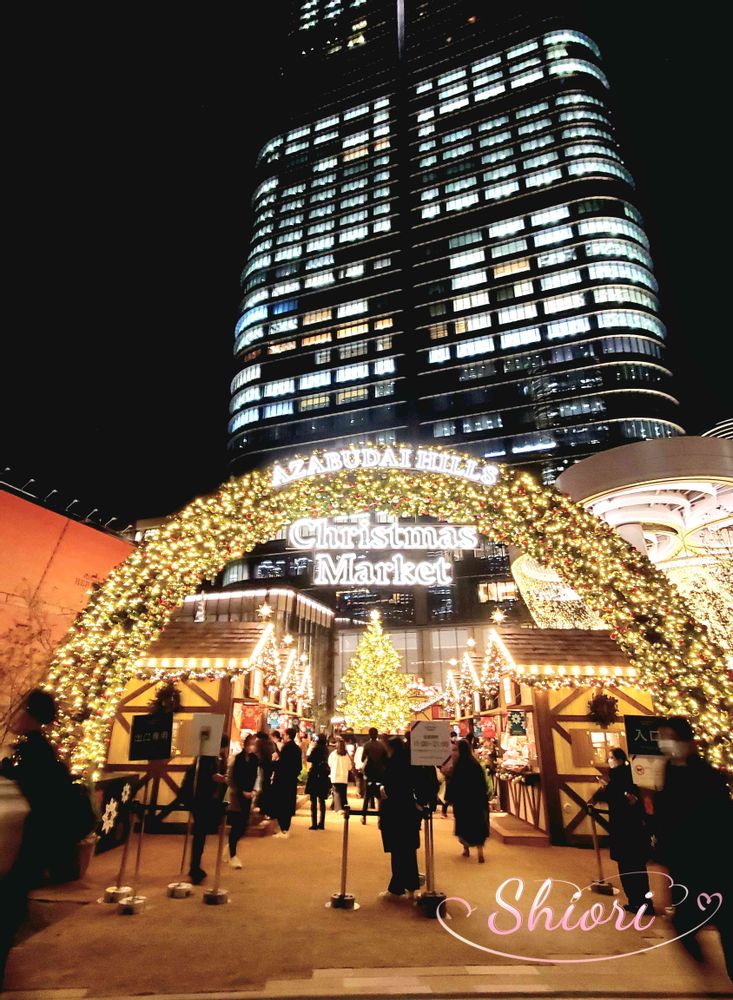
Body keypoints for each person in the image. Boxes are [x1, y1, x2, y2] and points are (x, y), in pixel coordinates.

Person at [653, 717, 733, 981]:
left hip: (715, 862)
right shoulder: (668, 771)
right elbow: (666, 822)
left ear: (688, 742)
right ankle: (711, 975)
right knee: (684, 924)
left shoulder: (707, 776)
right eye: (662, 737)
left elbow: (722, 818)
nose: (666, 743)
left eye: (671, 737)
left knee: (726, 923)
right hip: (684, 866)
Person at [590, 748, 652, 913]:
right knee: (637, 867)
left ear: (618, 759)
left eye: (611, 757)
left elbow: (616, 798)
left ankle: (636, 901)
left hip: (623, 828)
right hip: (633, 828)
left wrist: (605, 789)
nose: (609, 760)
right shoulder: (629, 775)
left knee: (627, 867)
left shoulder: (618, 778)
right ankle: (644, 901)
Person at [378, 737, 422, 900]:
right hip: (408, 810)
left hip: (395, 811)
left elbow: (390, 788)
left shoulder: (393, 765)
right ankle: (410, 886)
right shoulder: (410, 762)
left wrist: (383, 792)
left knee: (398, 851)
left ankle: (397, 887)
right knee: (408, 850)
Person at [181, 735, 228, 885]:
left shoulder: (210, 757)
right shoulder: (207, 757)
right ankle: (194, 868)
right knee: (199, 834)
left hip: (203, 799)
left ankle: (195, 866)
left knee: (200, 834)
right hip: (200, 799)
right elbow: (205, 776)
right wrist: (217, 778)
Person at [446, 738, 490, 863]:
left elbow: (454, 783)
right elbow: (482, 783)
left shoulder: (459, 765)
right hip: (477, 800)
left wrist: (450, 798)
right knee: (478, 824)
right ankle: (480, 851)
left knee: (464, 824)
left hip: (462, 801)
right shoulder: (475, 764)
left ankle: (466, 849)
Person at [226, 734, 259, 867]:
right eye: (250, 744)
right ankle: (232, 854)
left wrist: (254, 791)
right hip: (237, 795)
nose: (251, 747)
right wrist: (240, 791)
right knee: (237, 824)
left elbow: (257, 776)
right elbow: (232, 777)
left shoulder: (255, 759)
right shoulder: (237, 759)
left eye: (253, 744)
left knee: (244, 824)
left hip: (249, 795)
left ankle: (230, 848)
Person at [271, 727, 302, 839]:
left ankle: (283, 829)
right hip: (291, 780)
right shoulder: (297, 749)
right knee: (288, 804)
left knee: (281, 804)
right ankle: (286, 828)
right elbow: (298, 767)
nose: (282, 737)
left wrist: (273, 763)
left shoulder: (286, 748)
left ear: (288, 735)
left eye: (284, 735)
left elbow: (282, 765)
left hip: (282, 780)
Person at [359, 727, 387, 824]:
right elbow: (385, 759)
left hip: (370, 773)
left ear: (369, 734)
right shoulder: (382, 746)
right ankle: (380, 818)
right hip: (380, 773)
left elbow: (363, 759)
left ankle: (364, 816)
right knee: (380, 796)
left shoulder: (367, 745)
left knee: (367, 796)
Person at [305, 733, 331, 829]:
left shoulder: (316, 749)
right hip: (323, 776)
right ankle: (322, 823)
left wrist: (311, 748)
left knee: (314, 800)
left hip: (315, 775)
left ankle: (314, 823)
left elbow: (309, 758)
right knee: (322, 801)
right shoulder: (326, 749)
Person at [328, 738, 354, 814]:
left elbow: (330, 764)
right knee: (342, 792)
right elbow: (349, 767)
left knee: (336, 792)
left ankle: (338, 808)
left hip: (335, 776)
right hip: (344, 777)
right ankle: (342, 806)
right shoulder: (346, 755)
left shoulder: (333, 754)